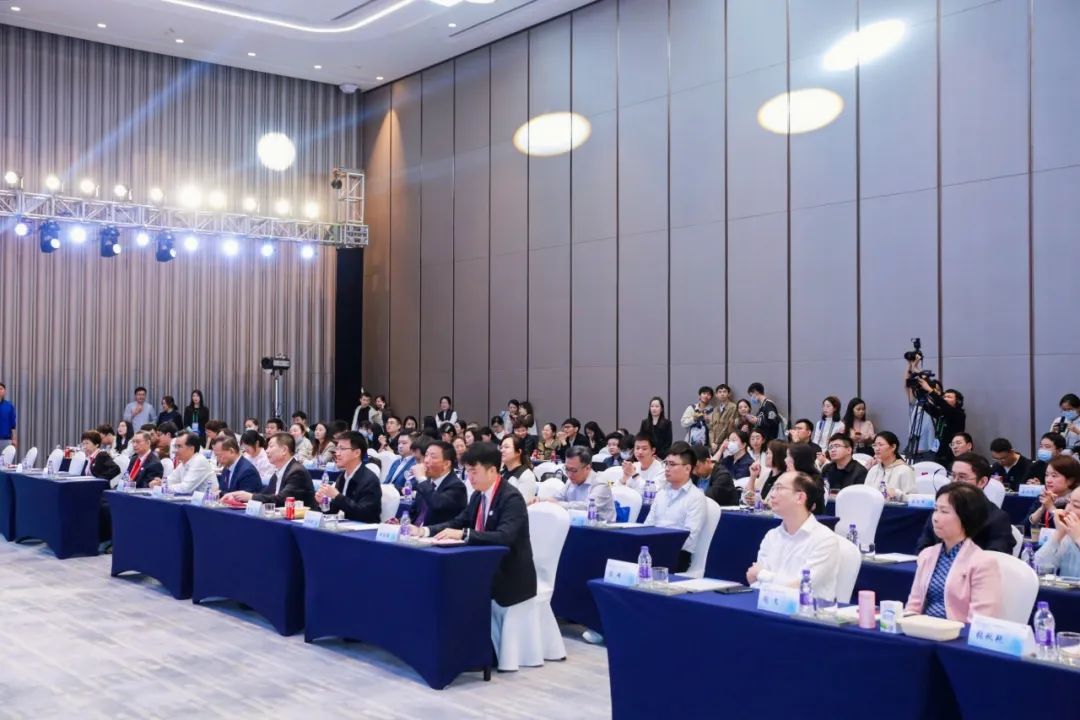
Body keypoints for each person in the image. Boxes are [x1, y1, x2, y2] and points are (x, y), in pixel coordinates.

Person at [409, 442, 537, 613]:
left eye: (474, 472)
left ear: (492, 470)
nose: (470, 477)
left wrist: (463, 534)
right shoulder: (479, 494)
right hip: (482, 564)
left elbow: (504, 536)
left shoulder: (511, 498)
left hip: (507, 573)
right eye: (468, 471)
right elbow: (458, 522)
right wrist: (425, 531)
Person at [906, 483, 1002, 622]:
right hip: (923, 629)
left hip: (958, 632)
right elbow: (913, 606)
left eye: (944, 512)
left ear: (966, 517)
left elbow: (980, 619)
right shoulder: (927, 555)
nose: (935, 518)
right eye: (935, 510)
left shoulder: (983, 563)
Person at [747, 471, 840, 600]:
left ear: (800, 497)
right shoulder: (772, 536)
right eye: (773, 488)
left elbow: (801, 587)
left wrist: (763, 574)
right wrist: (761, 577)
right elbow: (756, 583)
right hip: (770, 605)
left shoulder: (825, 539)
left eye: (779, 488)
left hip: (809, 611)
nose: (772, 495)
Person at [915, 453, 1017, 555]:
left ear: (982, 482)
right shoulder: (940, 510)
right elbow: (922, 549)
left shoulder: (996, 518)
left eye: (962, 477)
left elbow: (997, 558)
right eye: (953, 476)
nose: (955, 482)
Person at [644, 441, 707, 573]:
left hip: (677, 555)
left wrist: (662, 544)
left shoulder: (696, 497)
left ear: (687, 468)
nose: (667, 468)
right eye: (666, 463)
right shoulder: (661, 493)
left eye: (672, 464)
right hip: (653, 549)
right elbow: (647, 526)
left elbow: (690, 539)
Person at [223, 432, 315, 508]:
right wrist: (238, 495)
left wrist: (251, 497)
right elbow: (267, 495)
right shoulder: (278, 472)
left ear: (284, 450)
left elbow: (282, 500)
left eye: (271, 446)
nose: (267, 451)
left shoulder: (297, 472)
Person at [312, 431, 382, 522]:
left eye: (342, 449)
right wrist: (323, 502)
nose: (337, 453)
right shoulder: (342, 477)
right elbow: (335, 511)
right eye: (337, 449)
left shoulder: (370, 480)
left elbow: (365, 514)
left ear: (357, 453)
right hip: (344, 525)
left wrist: (337, 496)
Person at [543, 446, 615, 522]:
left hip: (601, 527)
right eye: (567, 469)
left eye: (573, 470)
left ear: (587, 468)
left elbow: (588, 507)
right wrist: (540, 500)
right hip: (576, 523)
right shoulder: (571, 480)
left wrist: (558, 504)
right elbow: (556, 498)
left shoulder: (601, 483)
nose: (569, 474)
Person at [401, 440, 465, 526]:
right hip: (415, 531)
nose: (426, 460)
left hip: (436, 533)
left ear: (446, 464)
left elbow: (437, 505)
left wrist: (421, 479)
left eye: (433, 457)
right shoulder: (426, 483)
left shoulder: (457, 487)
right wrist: (400, 522)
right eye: (426, 455)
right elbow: (414, 513)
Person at [1028, 455, 1080, 536]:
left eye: (1054, 476)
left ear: (1070, 480)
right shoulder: (1043, 497)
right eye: (1046, 475)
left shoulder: (1075, 501)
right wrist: (1042, 508)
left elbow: (1069, 531)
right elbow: (1025, 527)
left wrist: (1050, 507)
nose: (1048, 480)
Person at [1033, 486, 1080, 577]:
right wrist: (1059, 534)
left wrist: (1078, 539)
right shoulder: (1068, 535)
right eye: (1068, 502)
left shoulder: (1075, 535)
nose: (1067, 509)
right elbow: (1036, 568)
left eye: (1076, 506)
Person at [150, 431, 217, 494]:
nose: (174, 451)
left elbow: (185, 488)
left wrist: (162, 487)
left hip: (208, 501)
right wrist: (160, 483)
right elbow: (171, 480)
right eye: (175, 446)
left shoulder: (199, 461)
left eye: (179, 446)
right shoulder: (184, 462)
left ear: (191, 449)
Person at [865, 431, 916, 500]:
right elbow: (865, 493)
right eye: (874, 445)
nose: (876, 449)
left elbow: (913, 499)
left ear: (893, 447)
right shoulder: (873, 470)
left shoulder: (905, 470)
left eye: (880, 445)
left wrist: (897, 494)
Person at [745, 440, 788, 505]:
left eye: (768, 453)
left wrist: (761, 502)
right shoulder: (765, 473)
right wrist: (752, 477)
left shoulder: (786, 478)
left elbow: (780, 504)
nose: (766, 456)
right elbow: (749, 496)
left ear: (777, 455)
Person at [500, 435, 537, 501]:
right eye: (501, 447)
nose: (502, 450)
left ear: (519, 452)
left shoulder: (526, 475)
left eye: (506, 447)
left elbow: (523, 503)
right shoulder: (501, 473)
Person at [710, 384, 739, 452]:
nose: (722, 394)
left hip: (727, 442)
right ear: (716, 395)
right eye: (720, 392)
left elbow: (729, 426)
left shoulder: (734, 407)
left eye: (724, 391)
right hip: (714, 445)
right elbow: (711, 428)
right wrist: (712, 442)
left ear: (729, 394)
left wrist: (718, 442)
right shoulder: (715, 409)